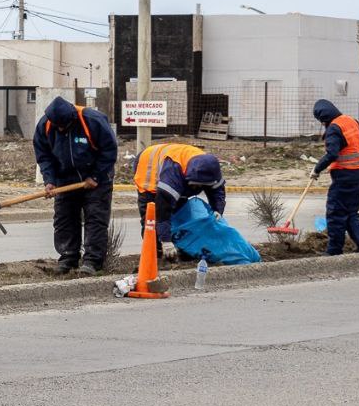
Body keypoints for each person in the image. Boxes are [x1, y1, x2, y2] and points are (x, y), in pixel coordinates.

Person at [32, 97, 118, 275]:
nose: (61, 129)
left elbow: (109, 150)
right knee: (64, 219)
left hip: (96, 179)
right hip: (65, 179)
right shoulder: (45, 126)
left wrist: (95, 176)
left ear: (71, 118)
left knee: (95, 219)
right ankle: (68, 258)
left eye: (64, 125)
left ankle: (92, 262)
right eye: (58, 126)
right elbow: (44, 156)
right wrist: (50, 180)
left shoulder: (92, 120)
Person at [132, 143, 226, 253]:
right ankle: (154, 252)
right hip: (147, 166)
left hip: (171, 160)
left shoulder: (211, 168)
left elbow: (217, 191)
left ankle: (180, 247)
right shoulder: (173, 175)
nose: (198, 188)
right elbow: (163, 213)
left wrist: (217, 210)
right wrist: (166, 241)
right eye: (195, 185)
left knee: (180, 214)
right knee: (151, 218)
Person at [312, 99, 359, 256]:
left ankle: (334, 251)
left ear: (323, 119)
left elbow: (332, 154)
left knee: (336, 213)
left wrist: (317, 169)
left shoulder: (333, 128)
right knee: (351, 212)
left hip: (344, 177)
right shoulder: (350, 120)